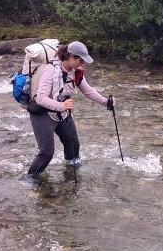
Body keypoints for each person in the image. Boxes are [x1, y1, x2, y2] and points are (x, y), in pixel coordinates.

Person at [26, 41, 114, 176]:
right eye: (81, 60)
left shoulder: (75, 72)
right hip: (43, 114)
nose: (82, 64)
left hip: (62, 114)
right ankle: (30, 178)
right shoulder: (50, 70)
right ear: (71, 56)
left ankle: (71, 171)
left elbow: (87, 90)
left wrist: (106, 102)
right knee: (47, 153)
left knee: (73, 146)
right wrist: (62, 106)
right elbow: (41, 98)